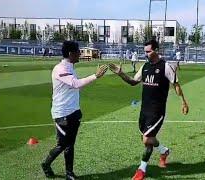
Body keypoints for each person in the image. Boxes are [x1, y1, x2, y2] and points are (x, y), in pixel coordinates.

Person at [109, 40, 189, 180]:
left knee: (147, 140)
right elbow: (134, 82)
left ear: (156, 50)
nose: (146, 54)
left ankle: (142, 169)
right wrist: (121, 74)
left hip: (157, 111)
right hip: (144, 110)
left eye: (148, 51)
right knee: (147, 138)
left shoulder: (166, 67)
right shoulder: (144, 67)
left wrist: (183, 102)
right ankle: (164, 151)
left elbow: (176, 84)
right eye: (145, 51)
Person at [41, 40, 108, 180]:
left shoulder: (70, 67)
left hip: (74, 112)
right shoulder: (60, 69)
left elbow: (75, 87)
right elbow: (75, 83)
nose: (80, 54)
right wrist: (95, 76)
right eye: (78, 52)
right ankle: (46, 164)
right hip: (62, 114)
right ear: (71, 54)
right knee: (62, 145)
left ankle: (69, 173)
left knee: (70, 144)